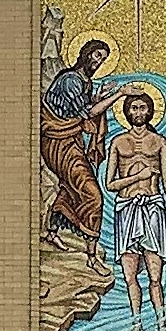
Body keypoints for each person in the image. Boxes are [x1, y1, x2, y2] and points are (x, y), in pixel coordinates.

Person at [105, 91, 166, 331]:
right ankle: (137, 325)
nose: (138, 112)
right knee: (130, 275)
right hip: (126, 209)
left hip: (153, 209)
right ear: (127, 112)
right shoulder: (118, 142)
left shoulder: (159, 142)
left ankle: (163, 327)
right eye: (134, 108)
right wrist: (137, 176)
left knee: (154, 276)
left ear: (150, 111)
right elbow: (110, 184)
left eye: (143, 108)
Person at [40, 39, 132, 268]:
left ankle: (51, 232)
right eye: (97, 55)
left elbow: (85, 106)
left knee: (71, 186)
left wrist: (100, 95)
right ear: (85, 53)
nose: (99, 61)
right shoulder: (70, 80)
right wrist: (119, 94)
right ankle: (91, 257)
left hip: (70, 140)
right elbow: (86, 114)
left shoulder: (85, 82)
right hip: (58, 142)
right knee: (93, 195)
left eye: (103, 58)